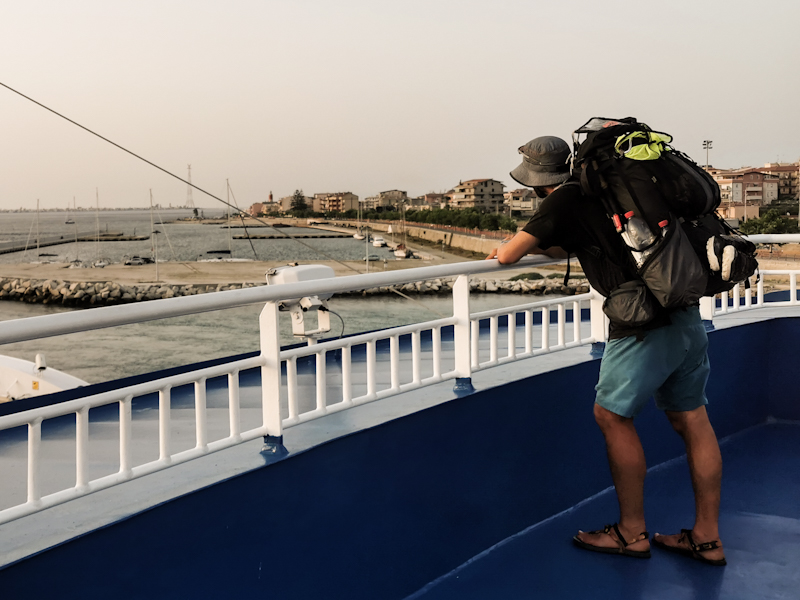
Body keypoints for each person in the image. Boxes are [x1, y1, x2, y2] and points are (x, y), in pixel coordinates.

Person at [486, 136, 726, 566]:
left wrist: (513, 246)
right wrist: (546, 245)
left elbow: (507, 256)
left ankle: (630, 533)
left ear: (538, 180)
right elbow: (574, 245)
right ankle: (707, 537)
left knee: (611, 416)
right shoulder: (606, 191)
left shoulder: (563, 200)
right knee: (694, 420)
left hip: (642, 325)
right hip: (684, 314)